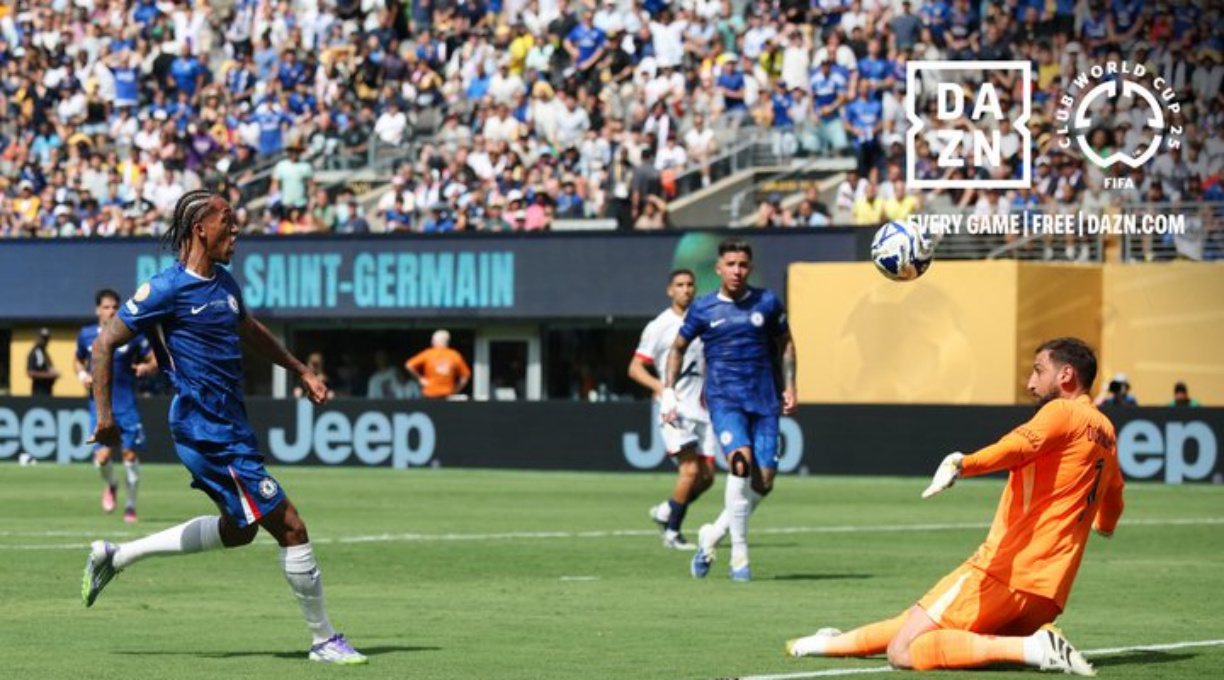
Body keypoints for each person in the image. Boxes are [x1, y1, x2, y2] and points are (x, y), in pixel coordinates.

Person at [81, 191, 366, 665]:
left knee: (240, 530)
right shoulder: (166, 289)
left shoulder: (225, 283)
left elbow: (249, 329)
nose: (236, 231)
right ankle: (324, 640)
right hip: (204, 428)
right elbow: (104, 345)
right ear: (200, 229)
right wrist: (104, 416)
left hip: (230, 425)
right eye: (227, 223)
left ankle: (117, 556)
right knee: (291, 527)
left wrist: (299, 369)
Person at [786, 337, 1122, 678]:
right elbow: (1115, 495)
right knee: (912, 624)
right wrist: (1104, 526)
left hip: (1004, 573)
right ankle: (825, 643)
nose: (1030, 383)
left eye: (1038, 371)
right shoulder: (1106, 431)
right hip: (1048, 594)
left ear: (1066, 375)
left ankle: (1032, 647)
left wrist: (966, 463)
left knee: (902, 650)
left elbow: (1018, 446)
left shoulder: (1061, 411)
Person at [662, 239, 797, 581]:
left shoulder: (767, 303)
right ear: (718, 268)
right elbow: (677, 350)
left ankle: (712, 535)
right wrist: (668, 392)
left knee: (763, 481)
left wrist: (791, 384)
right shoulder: (704, 309)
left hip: (764, 400)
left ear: (748, 268)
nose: (737, 270)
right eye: (731, 264)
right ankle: (740, 556)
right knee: (740, 463)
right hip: (724, 401)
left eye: (743, 264)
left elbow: (786, 343)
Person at [628, 269, 717, 550]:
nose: (686, 290)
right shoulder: (659, 326)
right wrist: (660, 388)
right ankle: (672, 533)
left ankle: (668, 510)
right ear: (670, 291)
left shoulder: (704, 320)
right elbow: (634, 368)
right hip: (674, 410)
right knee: (689, 471)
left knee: (707, 478)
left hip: (703, 409)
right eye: (680, 285)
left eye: (690, 285)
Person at [75, 290, 156, 523]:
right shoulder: (86, 335)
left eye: (114, 307)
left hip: (126, 405)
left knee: (130, 454)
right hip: (99, 406)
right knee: (101, 458)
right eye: (106, 307)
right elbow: (77, 360)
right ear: (98, 310)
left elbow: (153, 358)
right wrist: (81, 374)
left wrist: (146, 368)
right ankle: (112, 484)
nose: (110, 311)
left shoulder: (130, 335)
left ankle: (130, 506)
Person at [405, 330, 471, 399]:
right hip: (446, 394)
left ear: (434, 341)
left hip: (431, 394)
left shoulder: (428, 353)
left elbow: (409, 365)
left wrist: (420, 379)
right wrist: (456, 390)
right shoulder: (455, 355)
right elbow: (465, 377)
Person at [27, 328, 59, 395]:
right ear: (38, 338)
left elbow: (47, 367)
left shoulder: (44, 352)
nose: (45, 341)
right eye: (43, 339)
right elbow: (30, 372)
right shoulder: (34, 352)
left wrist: (53, 372)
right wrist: (48, 375)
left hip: (47, 390)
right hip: (39, 391)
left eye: (47, 339)